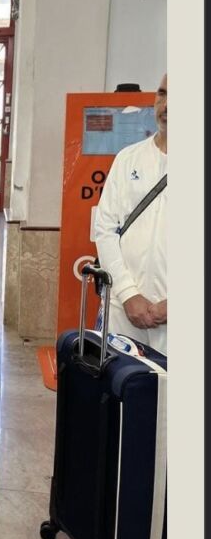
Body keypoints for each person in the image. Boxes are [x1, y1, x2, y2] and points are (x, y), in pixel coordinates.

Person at [94, 73, 167, 353]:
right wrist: (127, 293)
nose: (166, 105)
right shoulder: (128, 158)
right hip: (124, 310)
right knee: (122, 378)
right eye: (162, 94)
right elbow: (105, 228)